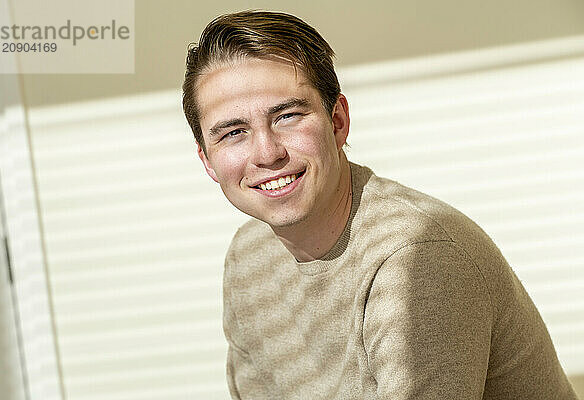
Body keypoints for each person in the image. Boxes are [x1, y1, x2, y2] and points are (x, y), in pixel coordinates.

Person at [182, 10, 578, 400]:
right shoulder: (248, 258)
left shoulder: (419, 261)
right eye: (234, 132)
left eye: (287, 115)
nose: (267, 153)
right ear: (208, 161)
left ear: (337, 121)